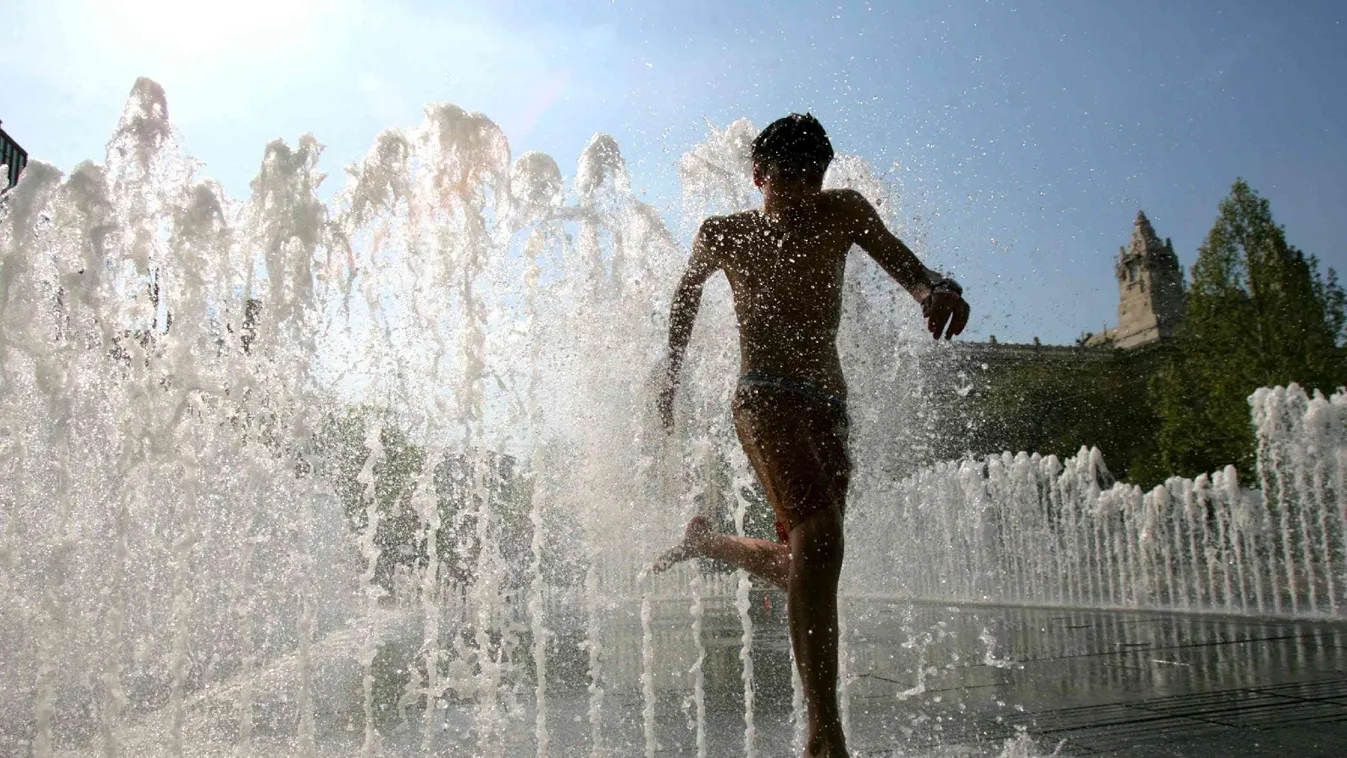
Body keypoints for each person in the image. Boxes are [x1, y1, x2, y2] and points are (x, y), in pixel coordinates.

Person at [652, 113, 970, 758]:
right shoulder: (725, 233)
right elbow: (685, 296)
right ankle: (824, 732)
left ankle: (709, 541)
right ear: (757, 176)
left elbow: (907, 267)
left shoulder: (844, 212)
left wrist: (934, 288)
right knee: (820, 538)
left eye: (811, 179)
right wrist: (671, 374)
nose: (800, 195)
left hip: (829, 401)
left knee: (810, 560)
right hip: (763, 393)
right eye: (786, 181)